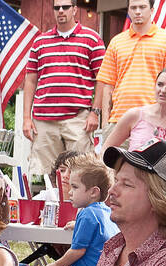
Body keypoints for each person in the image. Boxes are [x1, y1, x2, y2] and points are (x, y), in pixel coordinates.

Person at [22, 0, 104, 178]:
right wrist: (26, 118)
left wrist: (95, 112)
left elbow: (102, 79)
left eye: (65, 7)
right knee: (44, 176)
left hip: (78, 119)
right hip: (43, 121)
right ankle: (47, 206)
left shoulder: (92, 39)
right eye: (57, 7)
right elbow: (30, 80)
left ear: (74, 9)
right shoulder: (40, 42)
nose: (61, 11)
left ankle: (81, 207)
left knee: (83, 173)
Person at [94, 0, 166, 130]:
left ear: (152, 10)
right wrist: (105, 125)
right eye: (133, 7)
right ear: (129, 11)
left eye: (142, 7)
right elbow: (108, 85)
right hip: (118, 120)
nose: (137, 11)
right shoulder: (116, 42)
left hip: (155, 121)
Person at [33, 158, 118, 266]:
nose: (70, 192)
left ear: (93, 192)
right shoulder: (106, 211)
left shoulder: (87, 214)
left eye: (75, 187)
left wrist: (57, 265)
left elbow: (77, 251)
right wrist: (77, 224)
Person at [103, 66, 166, 179]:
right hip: (132, 187)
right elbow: (105, 151)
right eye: (160, 84)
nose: (163, 90)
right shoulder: (134, 115)